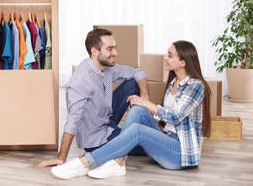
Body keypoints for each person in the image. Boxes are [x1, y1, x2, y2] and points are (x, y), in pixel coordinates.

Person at [50, 40, 212, 180]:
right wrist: (142, 104)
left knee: (137, 128)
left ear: (183, 62)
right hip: (167, 140)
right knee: (137, 111)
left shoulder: (196, 86)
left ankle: (84, 163)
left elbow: (176, 116)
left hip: (180, 154)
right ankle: (119, 161)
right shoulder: (174, 82)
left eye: (170, 55)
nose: (164, 57)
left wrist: (145, 102)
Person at [39, 28, 150, 169]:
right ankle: (134, 135)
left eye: (115, 48)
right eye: (110, 49)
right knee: (146, 143)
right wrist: (62, 156)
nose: (115, 53)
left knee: (133, 82)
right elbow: (73, 120)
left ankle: (137, 129)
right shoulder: (81, 81)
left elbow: (139, 72)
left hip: (107, 117)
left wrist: (144, 98)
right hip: (96, 138)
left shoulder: (107, 67)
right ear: (94, 51)